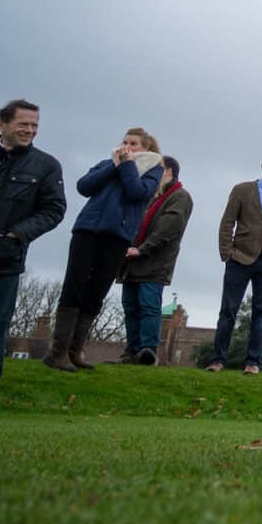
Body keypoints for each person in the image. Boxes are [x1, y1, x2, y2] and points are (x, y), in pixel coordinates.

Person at [48, 127, 161, 372]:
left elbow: (136, 192)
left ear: (147, 148)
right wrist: (115, 164)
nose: (127, 147)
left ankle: (74, 351)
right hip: (88, 230)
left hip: (118, 236)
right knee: (74, 285)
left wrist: (127, 166)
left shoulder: (153, 170)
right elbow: (84, 186)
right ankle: (58, 352)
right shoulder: (106, 163)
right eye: (124, 142)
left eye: (134, 143)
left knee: (96, 290)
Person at [0, 99, 65, 417]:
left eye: (34, 126)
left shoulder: (46, 166)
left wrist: (17, 235)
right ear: (2, 124)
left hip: (4, 263)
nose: (30, 130)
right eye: (23, 124)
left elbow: (53, 210)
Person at [205, 154, 262, 375]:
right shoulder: (241, 190)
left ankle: (253, 362)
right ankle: (218, 360)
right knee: (228, 310)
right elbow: (227, 223)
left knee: (261, 312)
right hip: (240, 258)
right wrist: (227, 253)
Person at [120, 155, 192, 365]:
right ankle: (131, 351)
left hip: (154, 262)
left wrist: (142, 249)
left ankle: (147, 350)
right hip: (132, 261)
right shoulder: (149, 195)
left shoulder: (180, 197)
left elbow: (168, 228)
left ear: (168, 172)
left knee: (149, 306)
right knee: (130, 306)